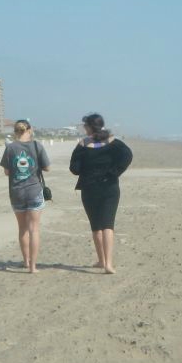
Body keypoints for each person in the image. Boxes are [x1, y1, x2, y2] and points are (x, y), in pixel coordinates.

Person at [69, 113, 133, 274]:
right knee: (108, 225)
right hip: (110, 187)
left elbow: (74, 169)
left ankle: (102, 260)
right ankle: (108, 264)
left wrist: (85, 163)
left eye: (85, 126)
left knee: (96, 226)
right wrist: (114, 172)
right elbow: (127, 155)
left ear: (90, 127)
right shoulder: (114, 142)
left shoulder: (83, 144)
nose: (84, 128)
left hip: (90, 188)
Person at [0, 119, 50, 273]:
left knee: (22, 228)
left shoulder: (10, 148)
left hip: (17, 192)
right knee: (34, 229)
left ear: (15, 131)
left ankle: (26, 261)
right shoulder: (37, 145)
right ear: (30, 129)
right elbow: (47, 167)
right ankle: (33, 267)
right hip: (34, 190)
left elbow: (7, 171)